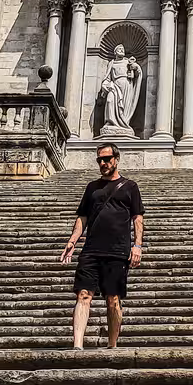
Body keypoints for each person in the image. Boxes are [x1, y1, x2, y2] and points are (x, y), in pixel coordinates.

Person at [61, 143, 144, 350]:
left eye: (107, 159)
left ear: (116, 159)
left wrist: (137, 245)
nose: (103, 163)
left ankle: (112, 344)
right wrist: (72, 241)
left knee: (113, 299)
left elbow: (137, 218)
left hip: (117, 250)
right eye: (100, 160)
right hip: (91, 249)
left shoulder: (130, 187)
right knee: (83, 294)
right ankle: (77, 346)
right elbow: (82, 217)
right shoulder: (92, 188)